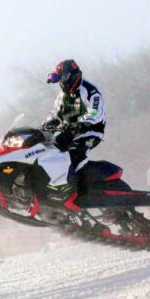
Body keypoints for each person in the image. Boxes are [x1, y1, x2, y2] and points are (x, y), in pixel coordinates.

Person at [41, 59, 106, 202]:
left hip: (91, 131)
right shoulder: (62, 94)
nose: (62, 81)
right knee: (49, 150)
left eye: (64, 77)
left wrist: (81, 123)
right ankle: (55, 184)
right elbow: (55, 113)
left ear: (74, 75)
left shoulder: (90, 90)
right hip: (70, 132)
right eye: (59, 78)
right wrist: (46, 126)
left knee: (74, 152)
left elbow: (95, 112)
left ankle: (78, 190)